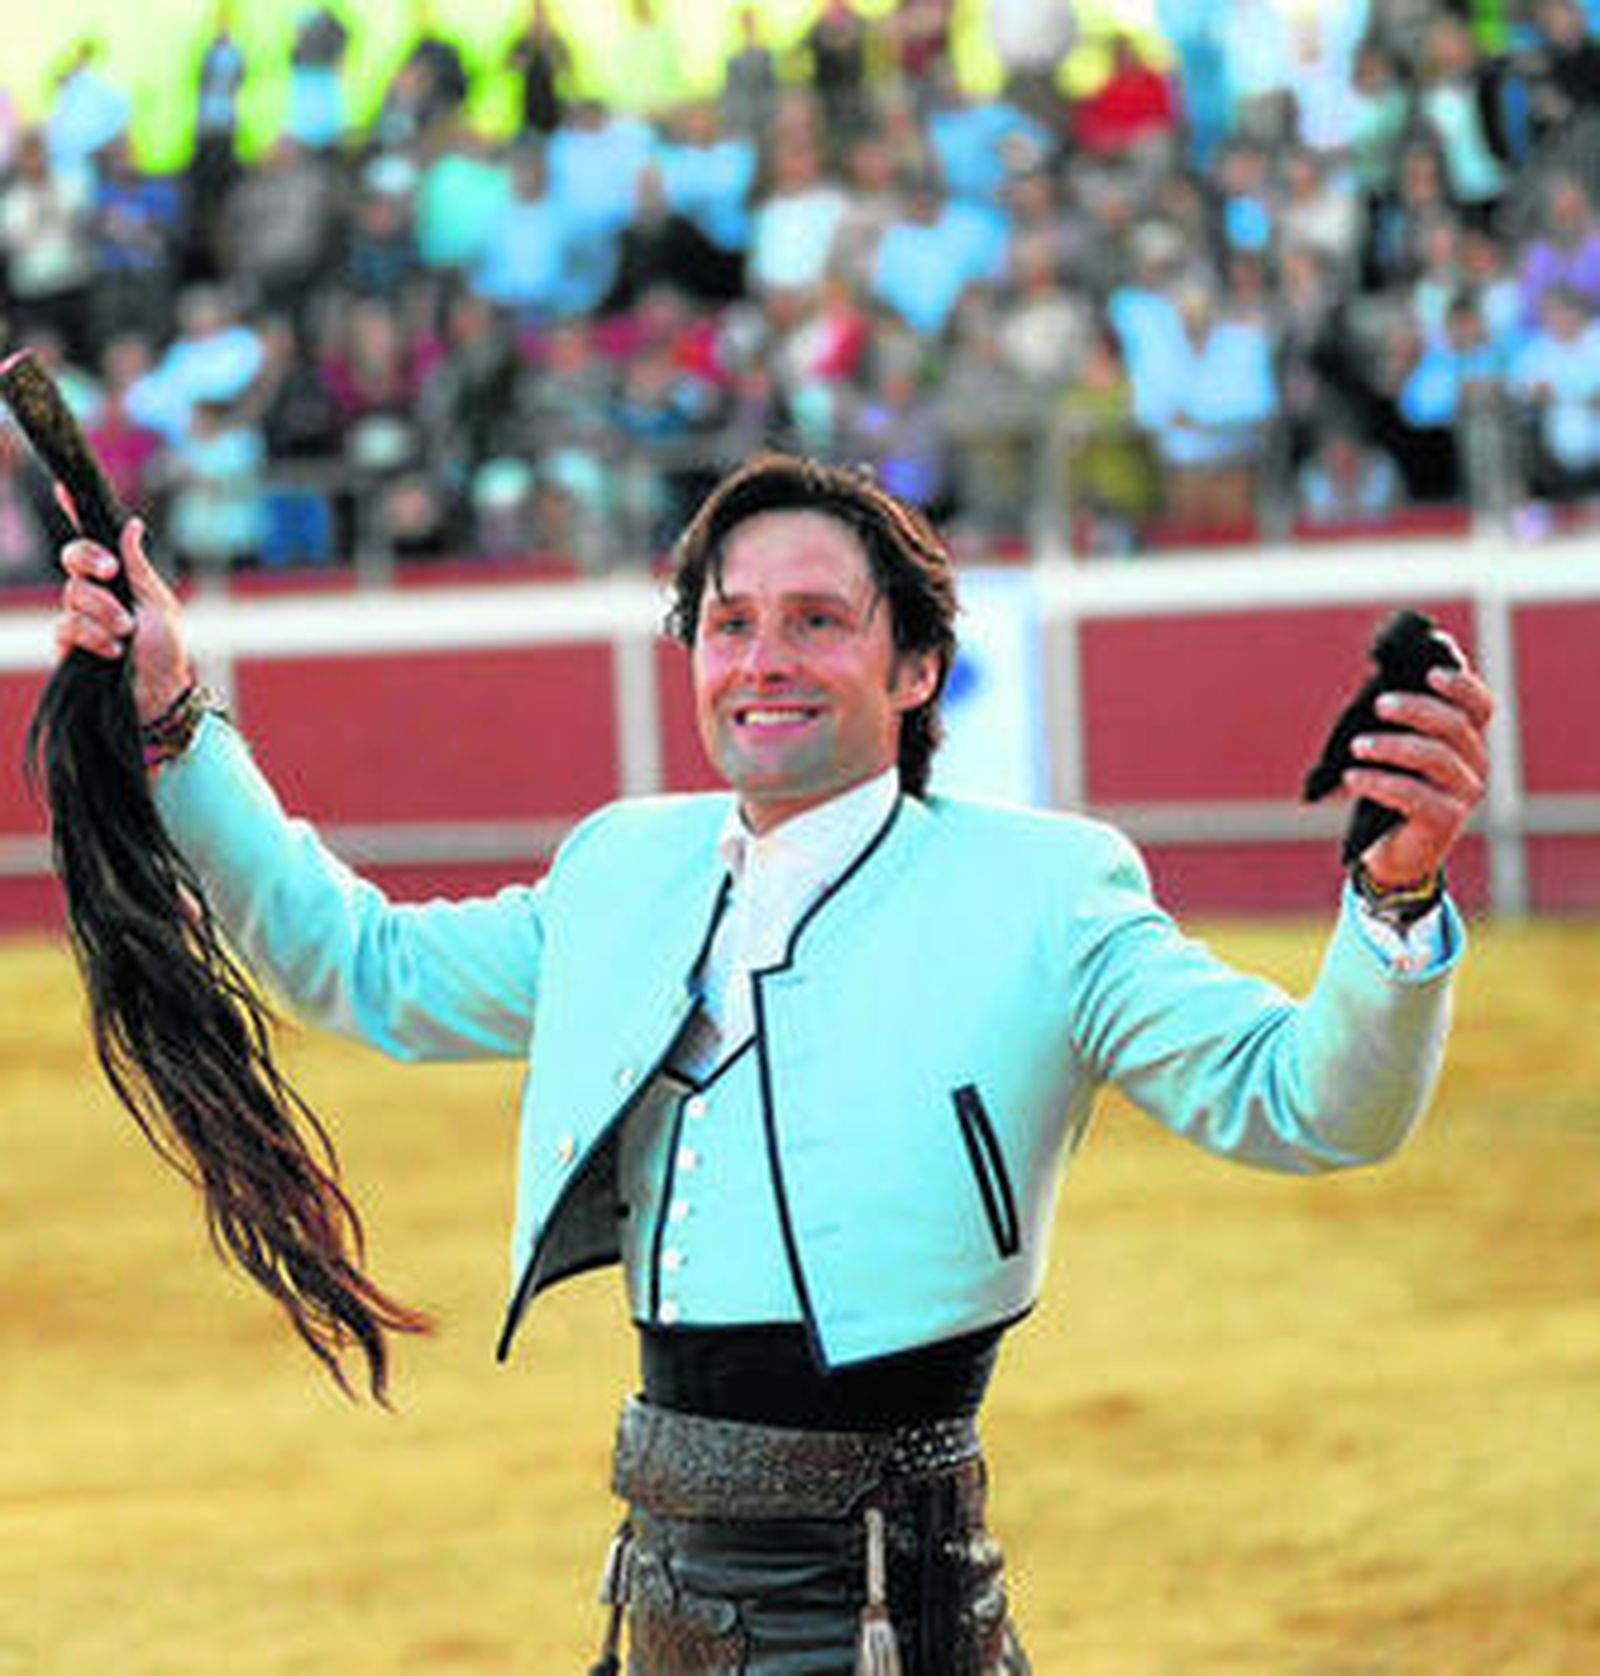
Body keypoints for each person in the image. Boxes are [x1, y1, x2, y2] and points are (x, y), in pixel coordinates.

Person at [51, 453, 1492, 1672]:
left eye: (818, 622)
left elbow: (1310, 1104)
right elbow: (354, 966)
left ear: (917, 666)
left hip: (891, 1602)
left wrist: (1395, 905)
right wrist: (177, 717)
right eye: (730, 623)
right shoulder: (627, 867)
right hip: (663, 1584)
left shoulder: (1047, 894)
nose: (765, 662)